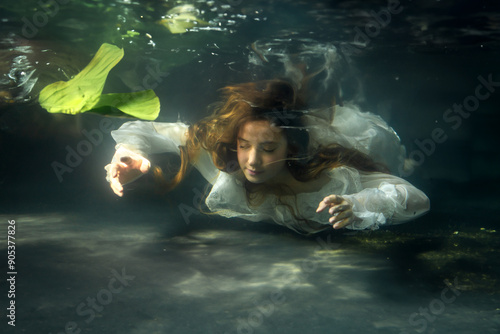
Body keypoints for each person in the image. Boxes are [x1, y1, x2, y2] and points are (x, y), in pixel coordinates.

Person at [104, 80, 430, 234]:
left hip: (371, 139)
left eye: (269, 149)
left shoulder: (326, 176)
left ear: (291, 150)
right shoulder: (226, 163)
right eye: (244, 145)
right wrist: (131, 154)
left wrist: (359, 204)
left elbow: (416, 198)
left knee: (396, 156)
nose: (252, 161)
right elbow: (150, 128)